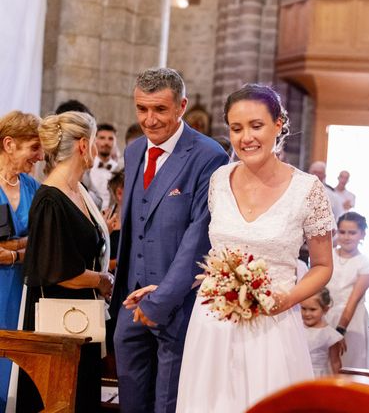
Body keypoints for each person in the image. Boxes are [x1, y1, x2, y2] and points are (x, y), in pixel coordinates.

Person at [146, 83, 333, 412]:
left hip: (271, 325)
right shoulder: (219, 179)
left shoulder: (307, 189)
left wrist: (286, 298)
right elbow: (210, 258)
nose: (246, 137)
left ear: (278, 124)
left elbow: (322, 266)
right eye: (236, 128)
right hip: (212, 322)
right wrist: (166, 287)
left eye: (256, 126)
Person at [111, 68, 229, 413]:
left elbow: (198, 238)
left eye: (160, 109)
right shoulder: (133, 152)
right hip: (129, 304)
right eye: (142, 109)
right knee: (130, 401)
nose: (150, 119)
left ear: (181, 106)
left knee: (168, 403)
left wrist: (160, 302)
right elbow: (134, 226)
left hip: (177, 306)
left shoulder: (208, 156)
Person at [18, 111, 114, 412]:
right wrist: (102, 280)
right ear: (84, 146)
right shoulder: (50, 199)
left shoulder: (79, 191)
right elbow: (57, 270)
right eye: (95, 141)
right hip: (57, 322)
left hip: (80, 319)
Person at [0, 111, 42, 412]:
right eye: (34, 147)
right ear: (9, 143)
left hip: (20, 292)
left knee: (12, 372)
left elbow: (42, 241)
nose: (39, 157)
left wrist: (13, 251)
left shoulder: (32, 188)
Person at [326, 212, 369, 369]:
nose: (347, 237)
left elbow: (353, 300)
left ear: (362, 234)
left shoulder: (366, 265)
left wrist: (340, 330)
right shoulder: (328, 256)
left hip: (351, 321)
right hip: (326, 315)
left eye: (352, 233)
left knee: (349, 364)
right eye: (342, 232)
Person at [302, 288, 343, 377]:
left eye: (312, 309)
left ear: (325, 309)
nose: (307, 313)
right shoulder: (298, 328)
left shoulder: (330, 335)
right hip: (298, 373)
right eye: (303, 308)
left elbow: (335, 362)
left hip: (318, 376)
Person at [88, 123, 118, 210]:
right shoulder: (87, 167)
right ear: (95, 140)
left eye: (110, 139)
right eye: (102, 138)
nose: (106, 142)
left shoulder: (120, 169)